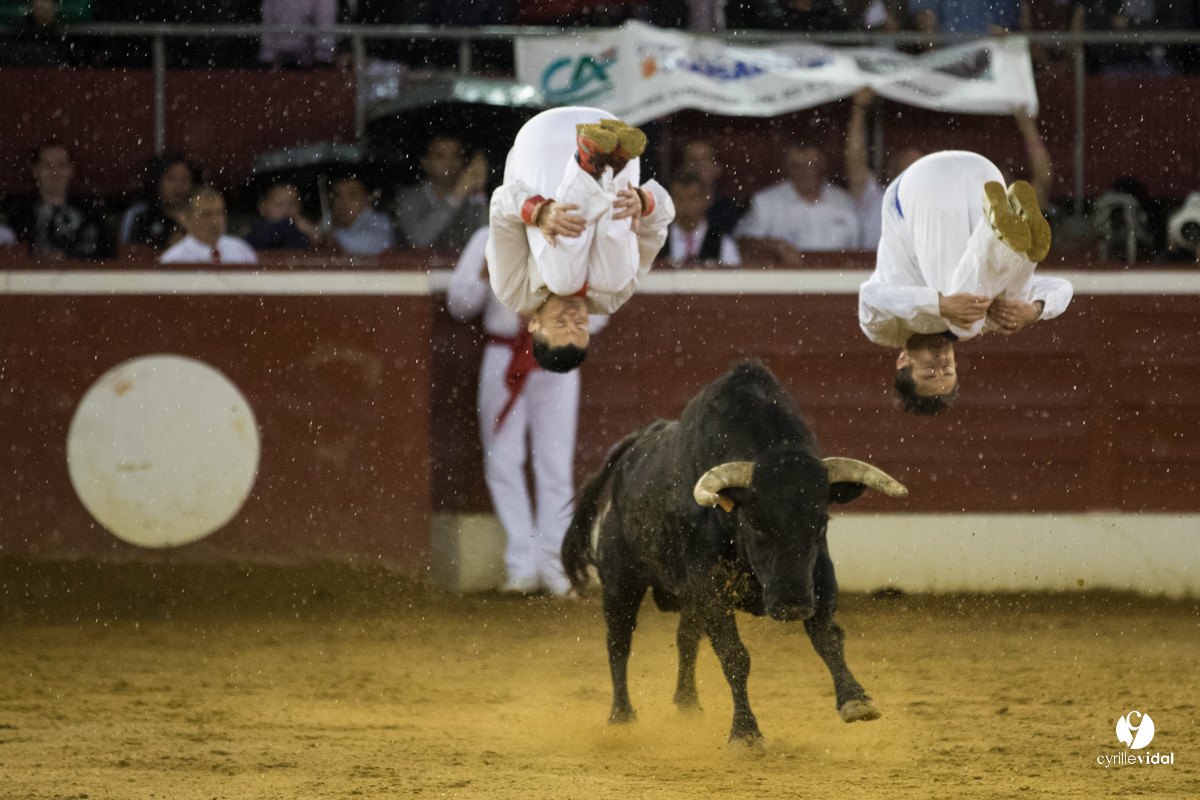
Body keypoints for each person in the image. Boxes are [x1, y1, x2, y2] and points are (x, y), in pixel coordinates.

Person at [858, 150, 1073, 415]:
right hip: (984, 174)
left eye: (929, 371)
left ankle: (1002, 238)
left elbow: (870, 296)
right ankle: (1010, 233)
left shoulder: (884, 331)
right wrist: (1034, 310)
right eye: (947, 370)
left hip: (921, 188)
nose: (940, 361)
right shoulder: (977, 315)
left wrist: (940, 305)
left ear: (903, 360)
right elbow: (1064, 288)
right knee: (1001, 310)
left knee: (968, 322)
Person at [447, 227, 601, 595]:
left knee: (554, 463)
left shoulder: (574, 234)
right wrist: (484, 276)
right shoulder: (489, 235)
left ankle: (555, 569)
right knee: (502, 460)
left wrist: (568, 317)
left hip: (557, 353)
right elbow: (459, 304)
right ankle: (522, 567)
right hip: (502, 353)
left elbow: (601, 311)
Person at [486, 106, 674, 373]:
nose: (573, 317)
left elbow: (500, 204)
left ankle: (587, 167)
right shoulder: (611, 296)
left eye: (562, 324)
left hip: (544, 144)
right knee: (612, 280)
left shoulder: (512, 291)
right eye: (581, 325)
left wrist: (539, 212)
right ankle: (607, 166)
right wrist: (645, 202)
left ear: (534, 324)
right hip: (612, 129)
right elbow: (659, 223)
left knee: (564, 282)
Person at [735, 141, 860, 264]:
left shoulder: (844, 201)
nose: (804, 172)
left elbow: (861, 249)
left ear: (823, 166)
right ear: (786, 167)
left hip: (837, 279)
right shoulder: (765, 201)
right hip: (787, 280)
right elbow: (742, 243)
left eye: (811, 165)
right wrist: (775, 246)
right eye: (796, 166)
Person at [5, 140, 109, 261]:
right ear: (35, 170)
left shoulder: (91, 211)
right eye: (48, 165)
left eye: (61, 165)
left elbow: (106, 255)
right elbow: (11, 255)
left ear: (71, 170)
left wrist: (68, 259)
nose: (55, 172)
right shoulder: (19, 213)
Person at [394, 135, 489, 252]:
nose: (450, 163)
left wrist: (479, 189)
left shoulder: (470, 196)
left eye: (456, 156)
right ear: (425, 162)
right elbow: (419, 239)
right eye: (440, 156)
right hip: (416, 269)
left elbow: (484, 241)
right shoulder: (409, 197)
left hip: (458, 268)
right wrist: (456, 195)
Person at [118, 152, 199, 256]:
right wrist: (171, 251)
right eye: (171, 179)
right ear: (157, 182)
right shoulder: (139, 214)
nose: (179, 186)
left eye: (184, 179)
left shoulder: (205, 213)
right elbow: (125, 258)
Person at [160, 186, 257, 264]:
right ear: (187, 220)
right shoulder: (174, 260)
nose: (215, 221)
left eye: (220, 213)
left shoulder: (241, 250)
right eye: (206, 215)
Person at [659, 172, 740, 266]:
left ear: (705, 200)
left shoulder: (723, 242)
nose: (685, 204)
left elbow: (734, 278)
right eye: (679, 198)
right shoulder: (655, 240)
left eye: (692, 197)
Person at [321, 172, 395, 256]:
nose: (344, 202)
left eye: (352, 195)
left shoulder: (379, 222)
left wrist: (331, 237)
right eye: (337, 195)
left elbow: (373, 244)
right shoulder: (327, 221)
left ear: (366, 198)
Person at [259, 0, 338, 69]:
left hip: (308, 59)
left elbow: (325, 22)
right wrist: (267, 56)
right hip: (282, 56)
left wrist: (323, 58)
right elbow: (268, 21)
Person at [244, 180, 319, 251]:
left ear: (300, 206)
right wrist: (293, 225)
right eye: (279, 203)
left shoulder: (303, 231)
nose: (286, 208)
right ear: (262, 206)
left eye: (292, 203)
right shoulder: (255, 230)